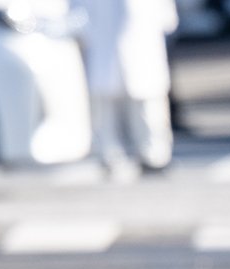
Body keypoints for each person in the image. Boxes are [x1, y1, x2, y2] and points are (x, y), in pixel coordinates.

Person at [71, 0, 179, 178]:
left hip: (139, 48)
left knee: (147, 107)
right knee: (105, 111)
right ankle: (110, 156)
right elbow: (78, 14)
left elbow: (166, 17)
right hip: (104, 51)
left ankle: (153, 156)